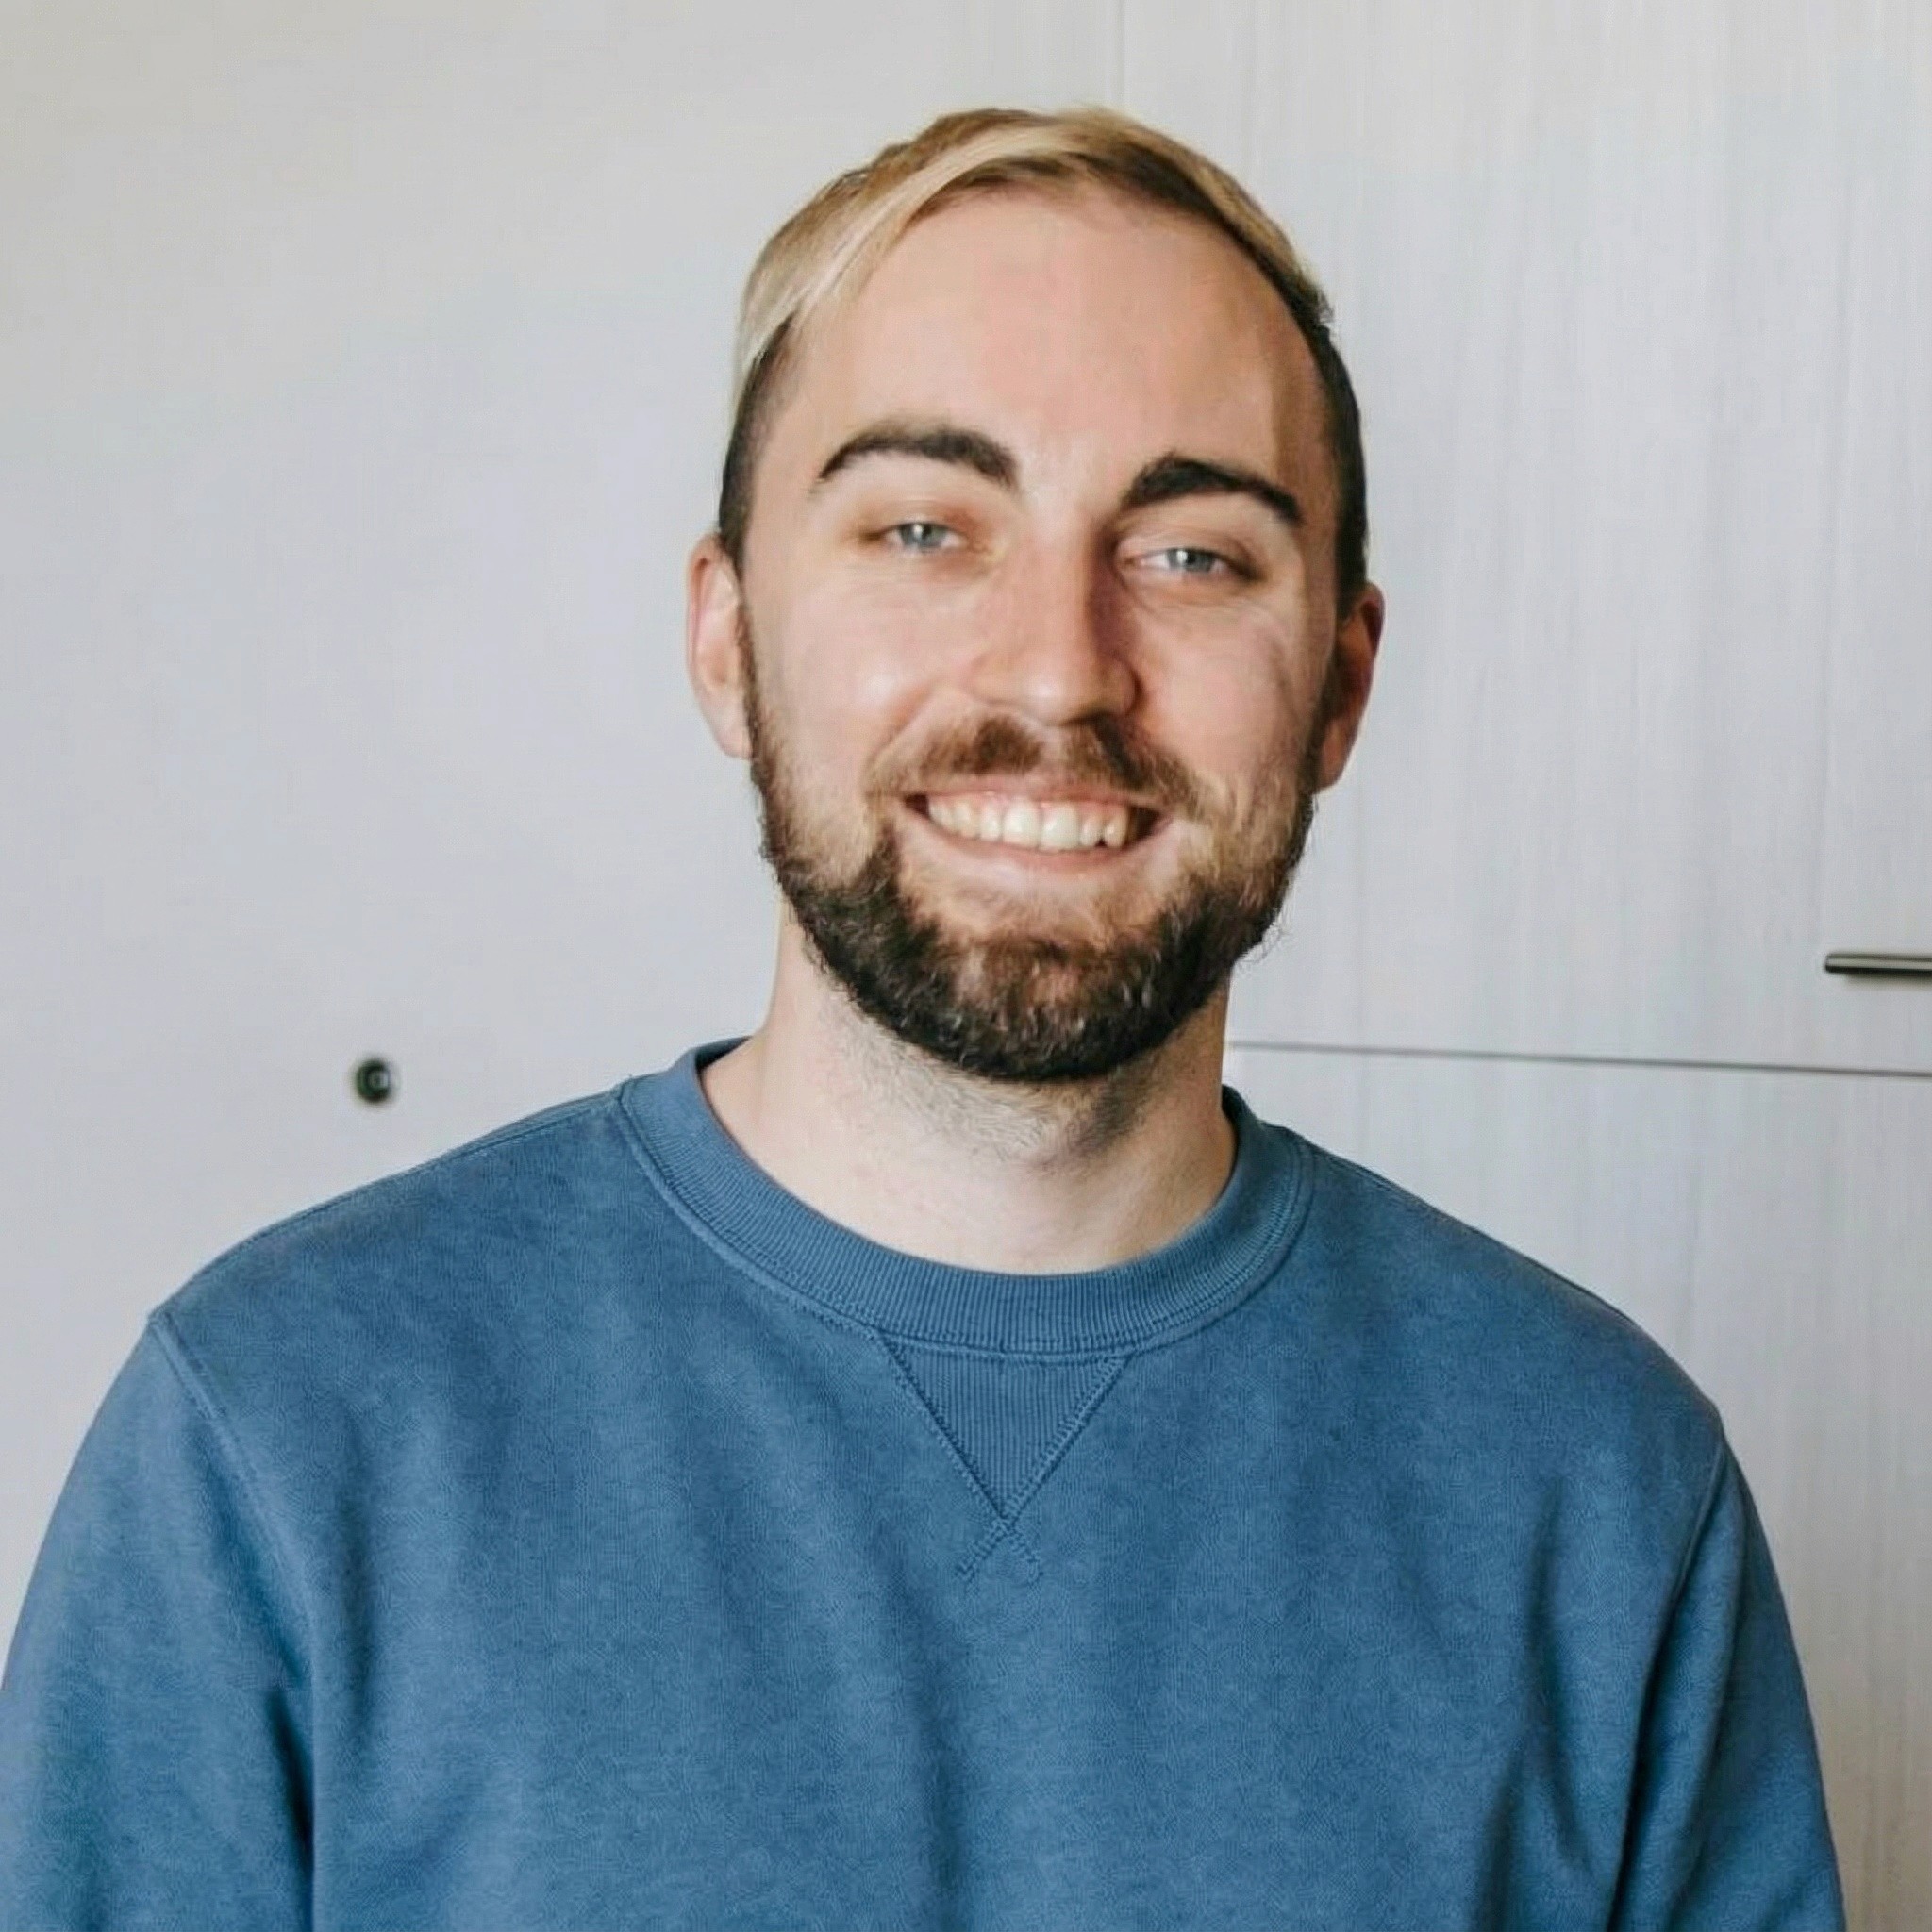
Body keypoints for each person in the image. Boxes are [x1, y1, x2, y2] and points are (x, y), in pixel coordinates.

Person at [0, 107, 1843, 1930]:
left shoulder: (1600, 1491)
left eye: (1192, 551)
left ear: (1342, 684)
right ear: (726, 638)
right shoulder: (276, 1432)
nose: (1055, 665)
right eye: (921, 525)